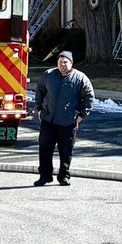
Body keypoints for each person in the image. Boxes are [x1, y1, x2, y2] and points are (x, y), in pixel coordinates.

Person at [32, 50, 94, 187]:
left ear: (71, 63)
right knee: (45, 149)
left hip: (68, 122)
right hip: (49, 120)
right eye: (60, 62)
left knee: (66, 151)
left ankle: (64, 177)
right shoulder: (48, 75)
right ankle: (44, 176)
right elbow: (39, 91)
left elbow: (89, 98)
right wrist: (40, 109)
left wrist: (81, 115)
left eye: (65, 62)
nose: (62, 64)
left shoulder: (80, 78)